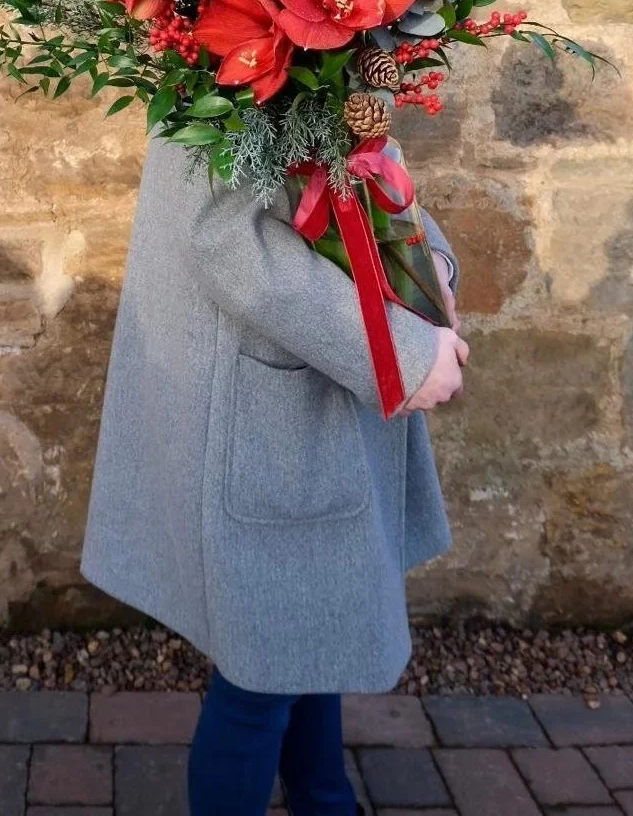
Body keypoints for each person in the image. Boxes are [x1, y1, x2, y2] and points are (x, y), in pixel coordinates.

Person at [81, 134, 466, 816]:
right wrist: (400, 354)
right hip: (268, 417)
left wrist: (425, 262)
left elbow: (367, 152)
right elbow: (229, 239)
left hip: (310, 401)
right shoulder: (207, 40)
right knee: (262, 674)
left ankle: (326, 801)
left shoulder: (321, 33)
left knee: (308, 627)